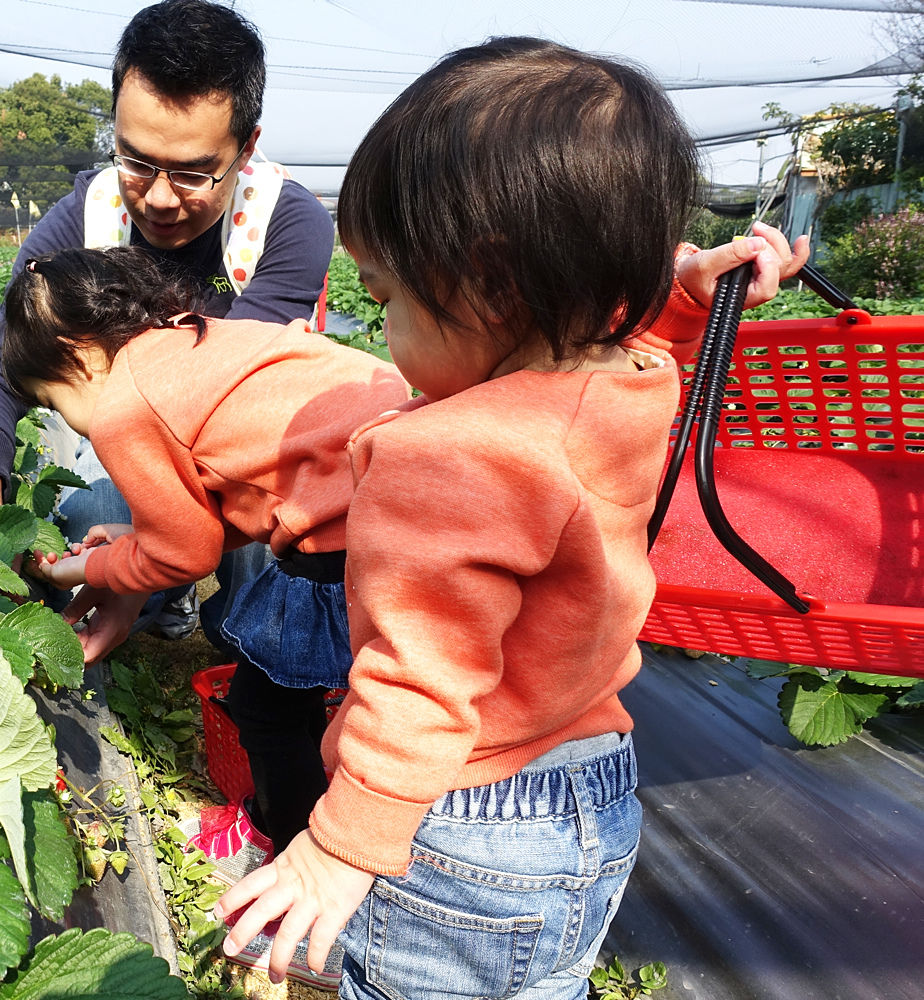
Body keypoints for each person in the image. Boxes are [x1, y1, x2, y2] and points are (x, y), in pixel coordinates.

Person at [213, 37, 810, 998]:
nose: (384, 334)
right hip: (596, 797)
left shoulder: (447, 456)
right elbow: (628, 332)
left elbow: (420, 678)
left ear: (491, 287)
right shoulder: (632, 380)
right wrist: (690, 304)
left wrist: (340, 844)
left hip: (463, 821)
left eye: (388, 299)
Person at [1, 248, 407, 982]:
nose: (77, 426)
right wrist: (129, 540)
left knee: (270, 709)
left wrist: (78, 567)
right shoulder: (194, 341)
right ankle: (316, 836)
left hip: (351, 532)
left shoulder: (124, 401)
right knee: (359, 703)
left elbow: (185, 554)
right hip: (397, 493)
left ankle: (299, 882)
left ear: (77, 357)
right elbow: (217, 499)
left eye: (57, 404)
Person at [0, 0, 336, 662]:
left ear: (246, 147)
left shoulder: (287, 225)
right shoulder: (86, 218)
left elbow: (224, 403)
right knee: (88, 500)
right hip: (130, 429)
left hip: (256, 443)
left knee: (270, 563)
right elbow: (0, 359)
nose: (156, 196)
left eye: (190, 172)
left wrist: (152, 551)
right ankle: (161, 597)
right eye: (135, 160)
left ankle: (259, 662)